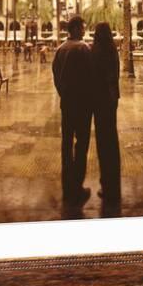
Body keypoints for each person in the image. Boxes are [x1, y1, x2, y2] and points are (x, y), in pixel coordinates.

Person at [52, 16, 93, 205]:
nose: (84, 31)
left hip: (66, 103)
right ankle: (78, 186)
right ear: (76, 28)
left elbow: (55, 76)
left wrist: (63, 93)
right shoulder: (83, 48)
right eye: (83, 28)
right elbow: (90, 74)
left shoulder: (59, 49)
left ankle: (67, 185)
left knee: (66, 144)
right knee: (82, 144)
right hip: (83, 104)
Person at [91, 22, 122, 204]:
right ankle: (113, 185)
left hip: (100, 101)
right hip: (111, 101)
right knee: (112, 142)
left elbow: (93, 76)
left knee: (103, 143)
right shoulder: (113, 50)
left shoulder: (97, 51)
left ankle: (107, 185)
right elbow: (113, 77)